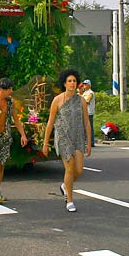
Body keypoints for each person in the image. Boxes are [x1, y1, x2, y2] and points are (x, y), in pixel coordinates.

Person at [42, 69, 92, 212]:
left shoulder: (81, 100)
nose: (72, 83)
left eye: (74, 81)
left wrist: (88, 142)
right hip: (63, 137)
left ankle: (65, 186)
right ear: (64, 83)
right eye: (69, 81)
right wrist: (45, 143)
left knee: (78, 170)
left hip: (78, 137)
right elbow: (50, 123)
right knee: (69, 168)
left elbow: (86, 122)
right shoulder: (57, 100)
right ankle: (69, 200)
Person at [81, 79, 95, 147]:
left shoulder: (90, 93)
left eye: (85, 84)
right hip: (84, 112)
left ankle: (91, 142)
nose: (84, 85)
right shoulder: (85, 92)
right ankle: (86, 141)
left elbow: (86, 101)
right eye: (84, 84)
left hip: (89, 112)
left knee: (89, 127)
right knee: (84, 127)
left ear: (89, 85)